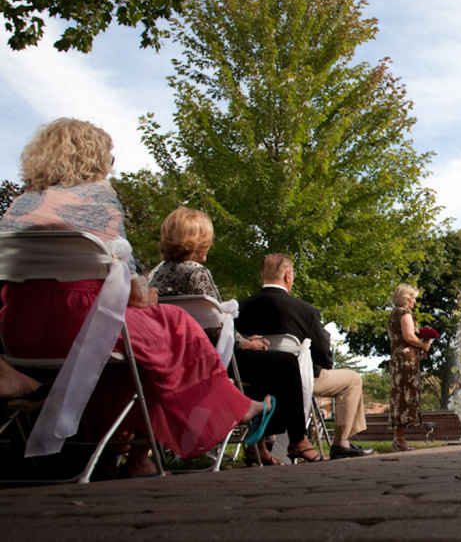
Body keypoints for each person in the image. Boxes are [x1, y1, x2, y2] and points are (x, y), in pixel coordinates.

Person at [0, 118, 272, 477]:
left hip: (17, 329)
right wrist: (144, 297)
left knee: (138, 355)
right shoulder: (98, 202)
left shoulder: (18, 207)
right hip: (82, 323)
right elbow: (129, 287)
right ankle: (233, 409)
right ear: (92, 159)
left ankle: (120, 458)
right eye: (109, 158)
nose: (111, 166)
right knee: (175, 328)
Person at [148, 207, 321, 464]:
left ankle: (258, 447)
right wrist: (245, 342)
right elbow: (215, 327)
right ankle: (297, 440)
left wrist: (245, 341)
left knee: (261, 361)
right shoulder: (197, 273)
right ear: (198, 241)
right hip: (205, 359)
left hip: (170, 356)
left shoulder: (156, 274)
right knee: (282, 363)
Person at [236, 254, 374, 459]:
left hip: (251, 383)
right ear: (288, 276)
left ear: (262, 276)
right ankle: (341, 444)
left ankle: (261, 445)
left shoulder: (240, 308)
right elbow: (323, 354)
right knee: (352, 380)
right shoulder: (305, 311)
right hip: (296, 381)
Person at [387, 283, 432, 451]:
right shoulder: (404, 313)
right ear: (406, 298)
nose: (414, 301)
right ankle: (400, 439)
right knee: (405, 396)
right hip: (406, 360)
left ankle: (398, 437)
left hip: (397, 359)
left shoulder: (393, 314)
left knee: (398, 395)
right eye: (412, 298)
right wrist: (422, 344)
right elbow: (409, 336)